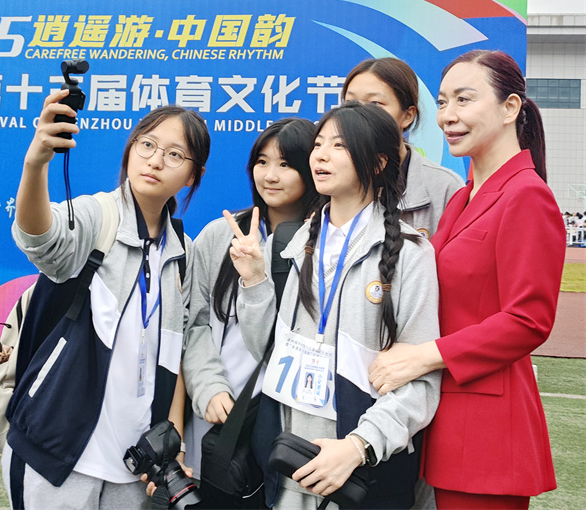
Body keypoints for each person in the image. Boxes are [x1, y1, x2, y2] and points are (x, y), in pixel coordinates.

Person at [368, 50, 567, 510]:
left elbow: (528, 320)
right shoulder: (464, 197)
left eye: (464, 99)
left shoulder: (527, 196)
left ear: (510, 107)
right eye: (442, 102)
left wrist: (424, 356)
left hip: (487, 434)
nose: (448, 116)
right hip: (446, 421)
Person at [226, 102, 441, 509]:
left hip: (361, 476)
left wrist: (359, 446)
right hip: (286, 464)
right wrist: (253, 280)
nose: (320, 155)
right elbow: (264, 351)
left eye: (339, 146)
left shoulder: (411, 254)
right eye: (318, 144)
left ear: (378, 162)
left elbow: (421, 383)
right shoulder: (294, 241)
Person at [4, 89, 210, 510]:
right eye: (147, 145)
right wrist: (36, 163)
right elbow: (38, 237)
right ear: (130, 149)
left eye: (174, 154)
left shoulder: (181, 252)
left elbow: (176, 353)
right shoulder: (98, 216)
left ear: (193, 175)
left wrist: (172, 445)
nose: (155, 160)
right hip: (59, 453)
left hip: (134, 465)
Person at [181, 118, 321, 483]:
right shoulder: (220, 235)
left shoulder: (325, 244)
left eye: (285, 164)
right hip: (216, 414)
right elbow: (193, 322)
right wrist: (208, 386)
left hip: (286, 420)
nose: (270, 175)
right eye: (262, 162)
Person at [342, 57, 464, 239]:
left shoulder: (444, 187)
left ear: (408, 116)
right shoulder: (328, 177)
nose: (358, 114)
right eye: (350, 103)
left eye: (375, 104)